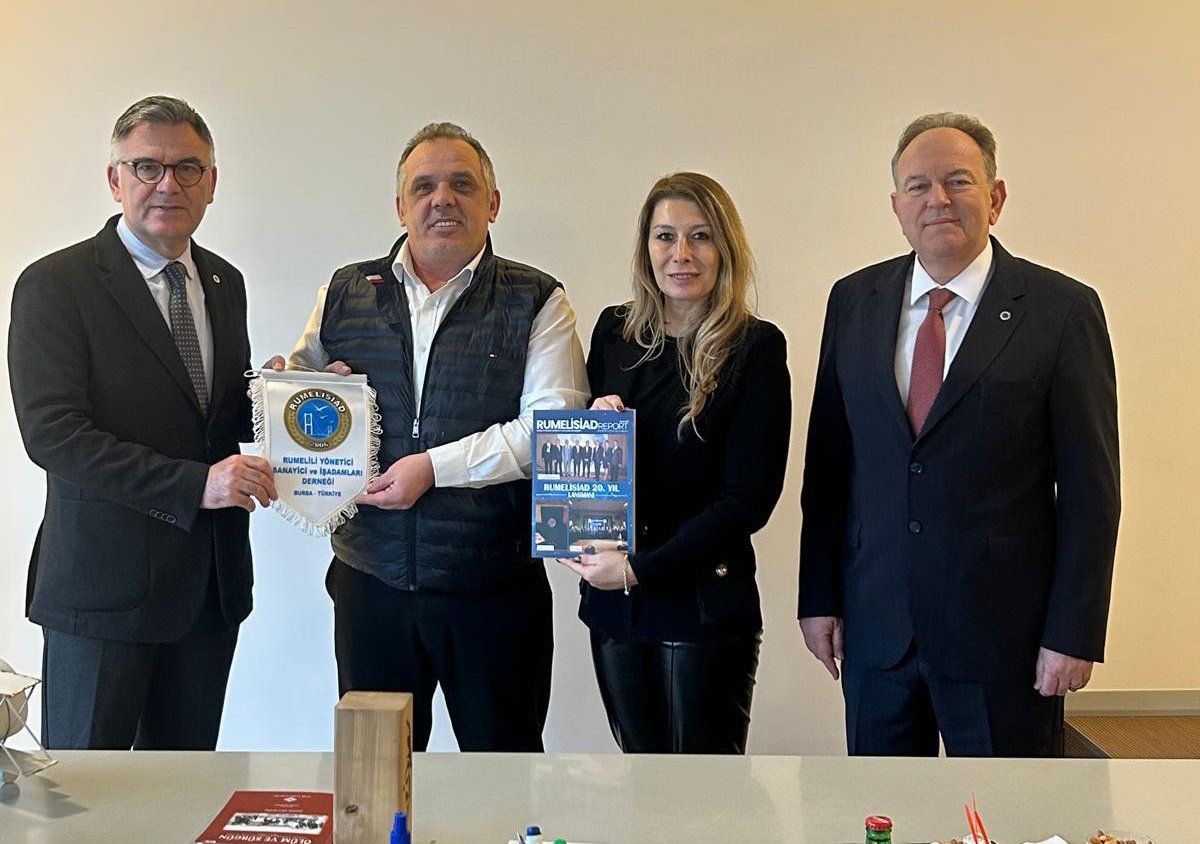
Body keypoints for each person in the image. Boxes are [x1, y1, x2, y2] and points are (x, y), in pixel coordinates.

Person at [797, 112, 1120, 757]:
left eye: (958, 181)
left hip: (1006, 641)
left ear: (995, 198)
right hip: (878, 632)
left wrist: (1073, 632)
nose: (937, 199)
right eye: (918, 186)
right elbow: (828, 468)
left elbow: (1091, 491)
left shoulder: (1061, 310)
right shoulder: (853, 300)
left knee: (1009, 810)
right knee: (881, 808)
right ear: (896, 206)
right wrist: (818, 597)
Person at [278, 122, 588, 751]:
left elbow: (551, 432)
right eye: (423, 187)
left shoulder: (537, 298)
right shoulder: (343, 292)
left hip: (495, 590)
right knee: (374, 777)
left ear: (492, 203)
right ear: (400, 207)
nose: (442, 199)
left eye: (461, 185)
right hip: (372, 584)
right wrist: (288, 388)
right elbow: (298, 390)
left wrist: (432, 468)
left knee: (505, 778)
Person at [8, 95, 274, 750]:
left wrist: (289, 398)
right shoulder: (55, 284)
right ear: (115, 178)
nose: (167, 184)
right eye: (147, 166)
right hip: (102, 595)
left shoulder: (224, 282)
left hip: (208, 593)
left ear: (212, 182)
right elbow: (55, 434)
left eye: (187, 168)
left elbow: (212, 415)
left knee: (186, 792)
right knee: (87, 795)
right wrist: (196, 485)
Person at [561, 172, 791, 753]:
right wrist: (593, 424)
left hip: (701, 606)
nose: (681, 253)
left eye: (700, 236)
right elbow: (587, 466)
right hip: (615, 606)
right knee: (637, 782)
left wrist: (640, 569)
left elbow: (748, 501)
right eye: (665, 237)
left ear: (725, 248)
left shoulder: (755, 348)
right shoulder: (615, 332)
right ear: (647, 248)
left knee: (703, 793)